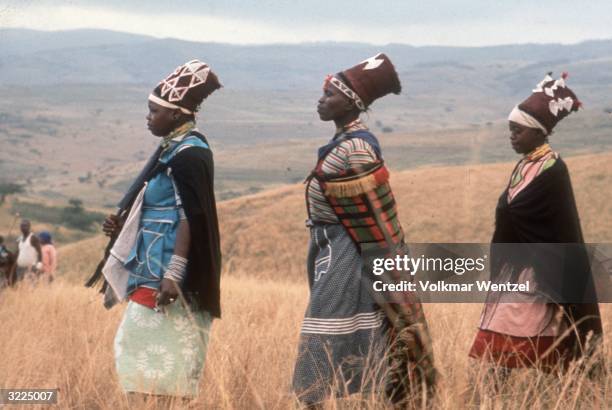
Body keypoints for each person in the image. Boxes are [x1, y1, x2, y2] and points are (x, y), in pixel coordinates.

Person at [293, 53, 436, 406]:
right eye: (323, 93)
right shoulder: (344, 143)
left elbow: (373, 222)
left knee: (324, 337)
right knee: (337, 335)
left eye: (330, 94)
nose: (321, 100)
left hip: (348, 258)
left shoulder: (355, 149)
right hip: (335, 253)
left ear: (351, 103)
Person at [95, 60, 222, 402]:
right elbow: (161, 206)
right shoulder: (172, 150)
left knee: (156, 360)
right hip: (151, 268)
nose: (149, 118)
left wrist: (174, 272)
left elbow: (189, 217)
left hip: (167, 275)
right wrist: (125, 223)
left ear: (178, 115)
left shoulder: (189, 155)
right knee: (139, 358)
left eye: (154, 111)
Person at [469, 73, 603, 375]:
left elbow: (553, 225)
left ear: (538, 132)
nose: (512, 136)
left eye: (517, 131)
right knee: (504, 339)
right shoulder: (525, 165)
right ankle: (508, 396)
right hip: (516, 268)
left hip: (543, 271)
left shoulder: (553, 169)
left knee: (530, 335)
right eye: (510, 130)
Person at [11, 220, 42, 284]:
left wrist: (39, 265)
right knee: (21, 288)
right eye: (21, 226)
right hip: (20, 268)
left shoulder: (33, 238)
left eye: (25, 226)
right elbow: (17, 252)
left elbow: (40, 252)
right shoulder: (19, 239)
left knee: (30, 287)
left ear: (29, 227)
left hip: (30, 268)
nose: (23, 227)